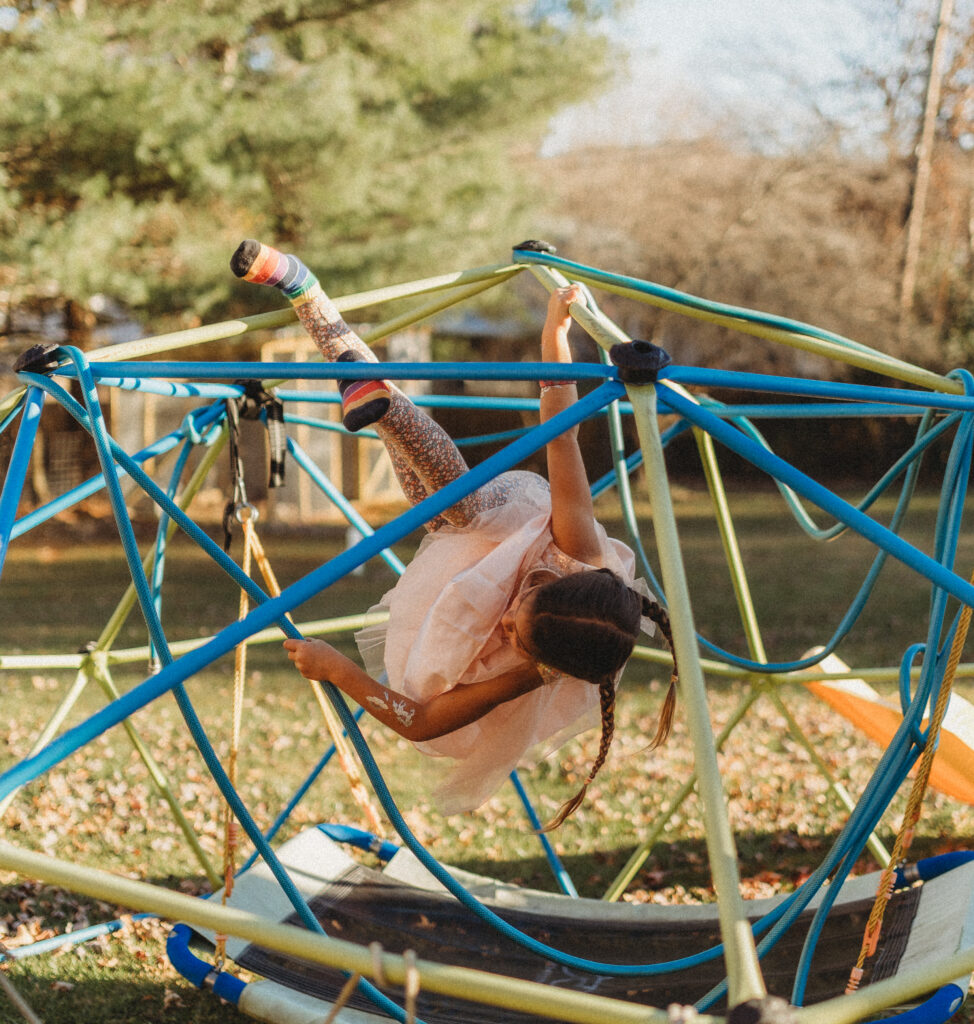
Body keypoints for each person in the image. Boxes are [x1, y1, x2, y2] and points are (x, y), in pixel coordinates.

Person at [230, 240, 677, 828]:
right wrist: (555, 335)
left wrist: (339, 670)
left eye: (517, 636)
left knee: (420, 464)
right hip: (500, 518)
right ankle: (380, 399)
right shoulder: (577, 549)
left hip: (454, 561)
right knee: (459, 498)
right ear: (558, 586)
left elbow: (420, 721)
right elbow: (562, 435)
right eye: (522, 614)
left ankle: (311, 298)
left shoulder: (535, 667)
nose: (507, 626)